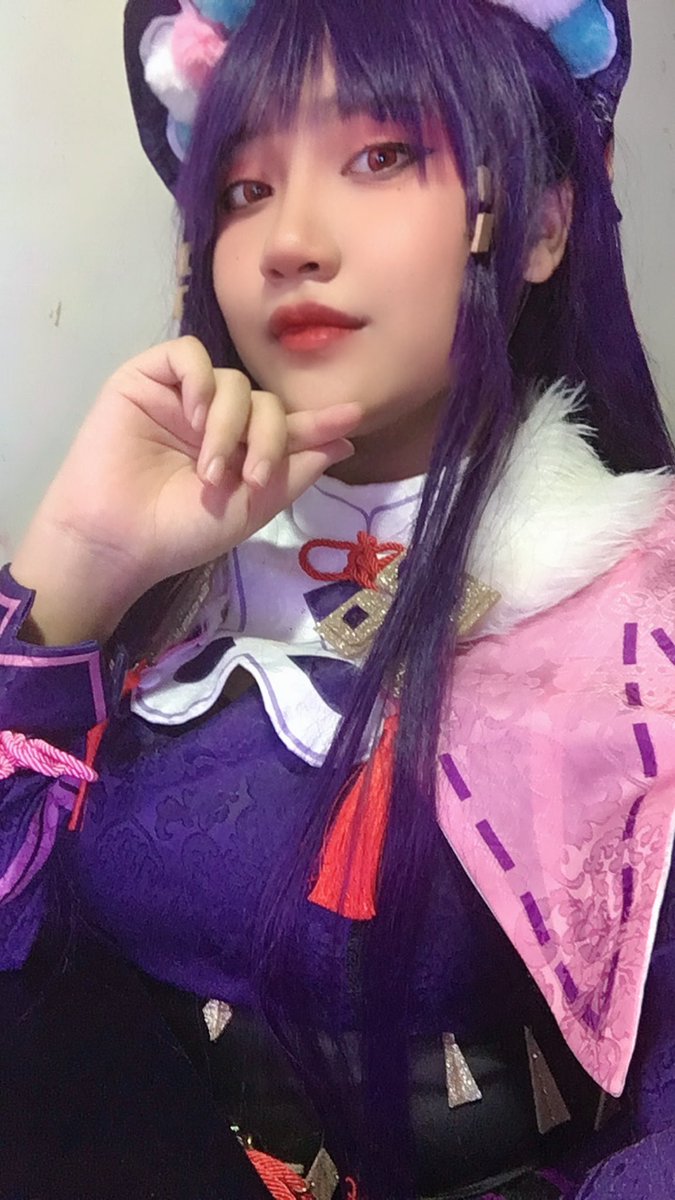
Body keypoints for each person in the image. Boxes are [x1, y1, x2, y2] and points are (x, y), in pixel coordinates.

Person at [0, 1, 673, 1197]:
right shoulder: (155, 586)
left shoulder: (636, 621)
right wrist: (77, 570)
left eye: (382, 155)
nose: (291, 240)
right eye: (245, 188)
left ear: (539, 222)